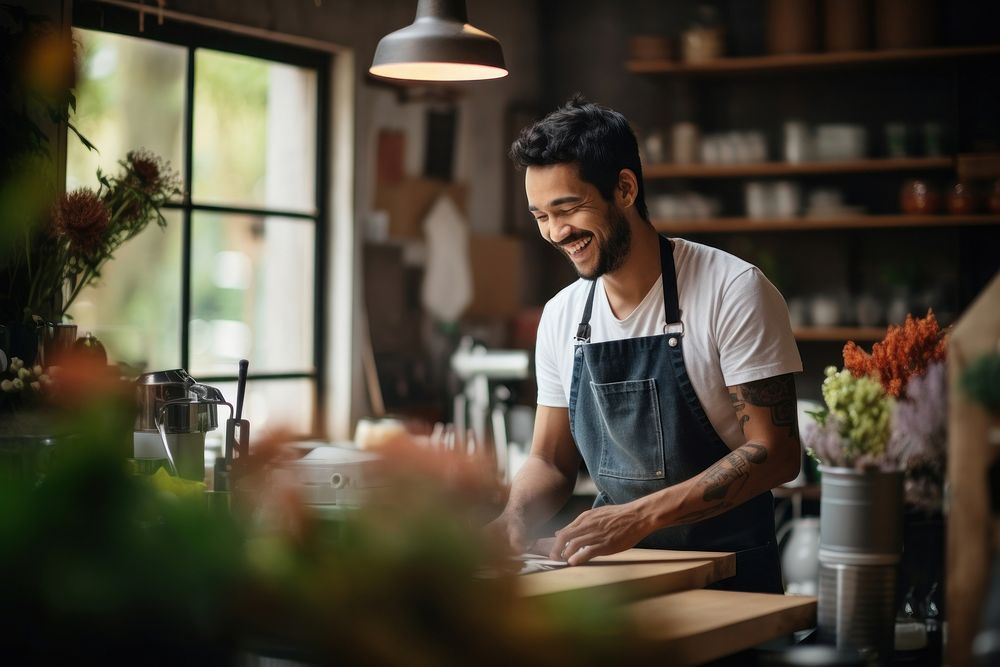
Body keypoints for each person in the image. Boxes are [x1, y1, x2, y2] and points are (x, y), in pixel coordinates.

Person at [488, 96, 802, 594]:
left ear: (626, 189)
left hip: (728, 573)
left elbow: (778, 452)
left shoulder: (732, 290)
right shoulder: (562, 315)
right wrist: (513, 517)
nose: (555, 232)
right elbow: (550, 461)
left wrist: (637, 518)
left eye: (568, 208)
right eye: (540, 215)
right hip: (617, 573)